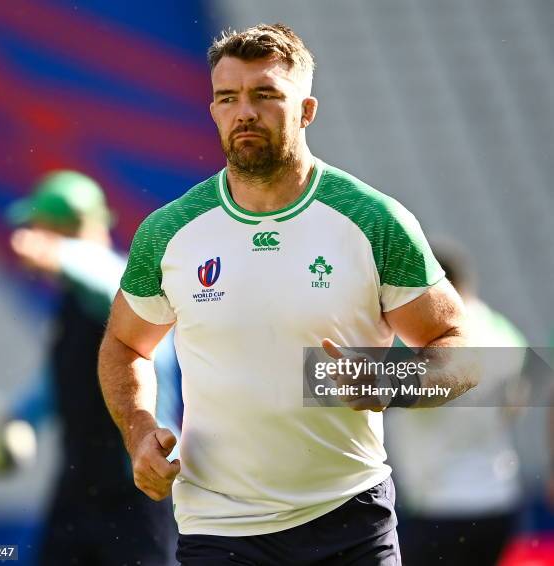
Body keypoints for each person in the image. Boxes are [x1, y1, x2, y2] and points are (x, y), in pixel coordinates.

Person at [98, 23, 478, 565]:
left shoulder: (374, 220)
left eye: (266, 95)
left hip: (350, 518)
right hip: (217, 527)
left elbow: (459, 343)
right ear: (213, 111)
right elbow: (124, 346)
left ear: (306, 110)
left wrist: (393, 379)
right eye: (228, 98)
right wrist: (139, 431)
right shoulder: (170, 230)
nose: (244, 112)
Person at [0, 171, 181, 565]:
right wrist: (0, 432)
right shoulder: (72, 303)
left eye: (39, 224)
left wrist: (63, 254)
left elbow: (109, 280)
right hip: (79, 491)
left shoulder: (130, 287)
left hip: (139, 489)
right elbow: (55, 386)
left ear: (59, 227)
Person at [385, 241, 528, 566]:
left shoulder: (427, 338)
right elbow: (515, 407)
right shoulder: (504, 331)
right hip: (498, 497)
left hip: (441, 506)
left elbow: (382, 392)